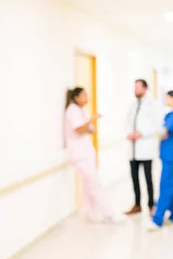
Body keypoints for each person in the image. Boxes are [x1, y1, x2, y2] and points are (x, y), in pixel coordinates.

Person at [64, 87, 126, 224]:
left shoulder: (81, 111)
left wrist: (89, 123)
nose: (87, 97)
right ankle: (109, 214)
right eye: (84, 95)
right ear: (76, 97)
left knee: (88, 185)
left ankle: (90, 213)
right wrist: (91, 120)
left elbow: (91, 129)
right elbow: (80, 128)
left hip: (85, 152)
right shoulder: (72, 110)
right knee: (95, 183)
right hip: (79, 154)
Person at [144, 90, 173, 230]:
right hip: (169, 154)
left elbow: (164, 130)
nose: (166, 100)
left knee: (166, 184)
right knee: (170, 183)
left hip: (171, 155)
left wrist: (147, 131)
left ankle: (158, 219)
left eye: (167, 98)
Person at [125, 79, 161, 216]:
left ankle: (151, 205)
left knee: (148, 178)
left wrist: (141, 133)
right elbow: (128, 122)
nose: (136, 90)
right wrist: (129, 134)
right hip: (133, 148)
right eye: (135, 87)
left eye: (138, 87)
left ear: (145, 89)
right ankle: (137, 204)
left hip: (145, 147)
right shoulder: (133, 105)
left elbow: (157, 125)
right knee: (134, 177)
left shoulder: (153, 105)